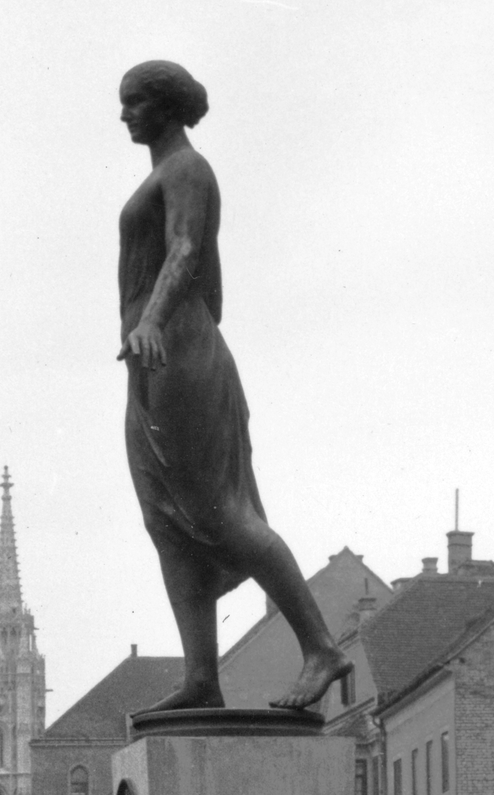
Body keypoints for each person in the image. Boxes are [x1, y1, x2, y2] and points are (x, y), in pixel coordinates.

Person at [117, 61, 350, 713]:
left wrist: (156, 323)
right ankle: (201, 678)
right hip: (152, 360)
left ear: (166, 106)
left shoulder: (186, 169)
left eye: (134, 101)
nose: (123, 114)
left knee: (219, 510)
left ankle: (321, 647)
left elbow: (188, 251)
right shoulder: (161, 175)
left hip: (175, 352)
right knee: (167, 521)